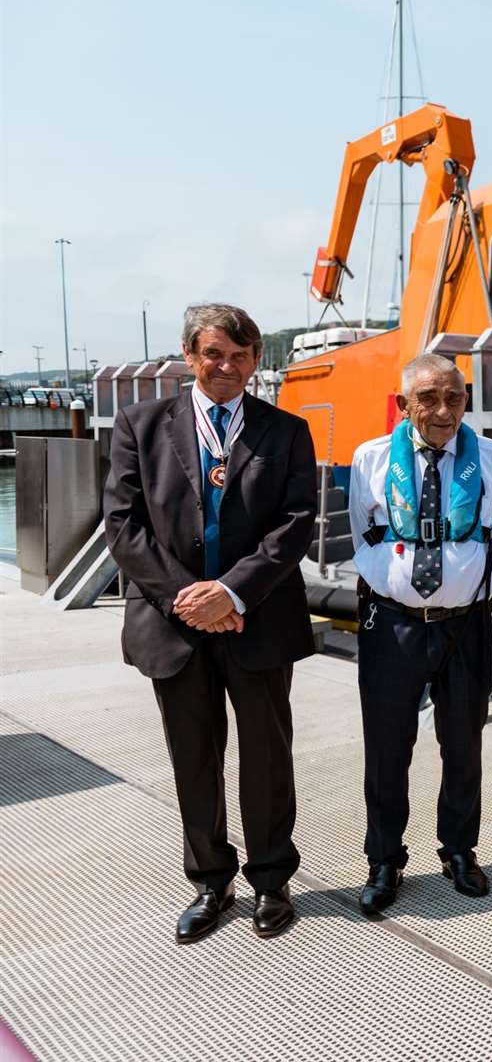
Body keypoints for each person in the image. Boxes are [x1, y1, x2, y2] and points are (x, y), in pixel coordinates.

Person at [103, 303, 316, 943]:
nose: (227, 367)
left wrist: (231, 593)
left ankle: (272, 881)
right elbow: (122, 523)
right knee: (194, 756)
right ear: (191, 355)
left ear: (256, 361)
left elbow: (297, 522)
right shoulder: (140, 425)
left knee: (267, 756)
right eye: (215, 354)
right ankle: (210, 881)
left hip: (259, 619)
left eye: (241, 356)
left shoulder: (286, 430)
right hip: (175, 626)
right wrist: (189, 599)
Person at [346, 353, 492, 915]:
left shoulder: (491, 458)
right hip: (392, 625)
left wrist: (460, 589)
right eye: (429, 399)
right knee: (388, 748)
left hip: (464, 625)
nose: (444, 411)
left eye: (455, 398)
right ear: (404, 405)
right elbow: (361, 536)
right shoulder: (370, 460)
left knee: (464, 744)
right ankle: (385, 858)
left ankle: (460, 850)